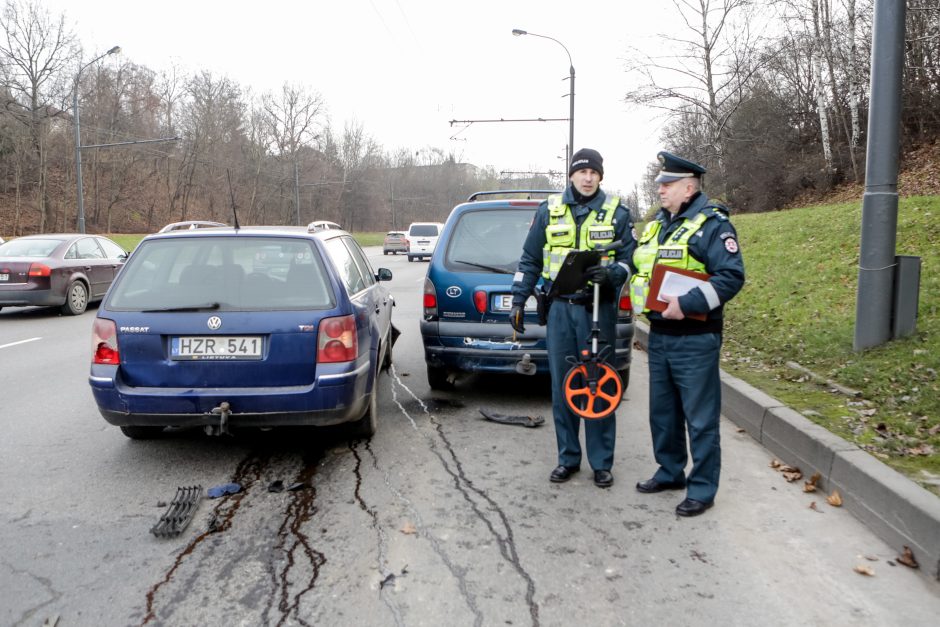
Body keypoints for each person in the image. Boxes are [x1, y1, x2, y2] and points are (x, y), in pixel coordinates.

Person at [510, 148, 637, 488]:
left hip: (598, 307)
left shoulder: (617, 213)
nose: (587, 177)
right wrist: (519, 300)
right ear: (571, 175)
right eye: (582, 172)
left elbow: (629, 261)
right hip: (561, 309)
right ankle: (568, 458)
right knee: (563, 385)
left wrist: (611, 275)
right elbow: (529, 259)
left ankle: (601, 463)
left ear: (600, 176)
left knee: (599, 382)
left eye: (594, 172)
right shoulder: (549, 211)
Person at [630, 151, 745, 516]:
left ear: (689, 187)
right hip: (659, 335)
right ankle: (670, 471)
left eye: (667, 184)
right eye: (660, 184)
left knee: (700, 418)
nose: (660, 190)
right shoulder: (658, 224)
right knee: (663, 413)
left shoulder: (713, 225)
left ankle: (702, 488)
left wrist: (690, 302)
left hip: (695, 337)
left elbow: (730, 276)